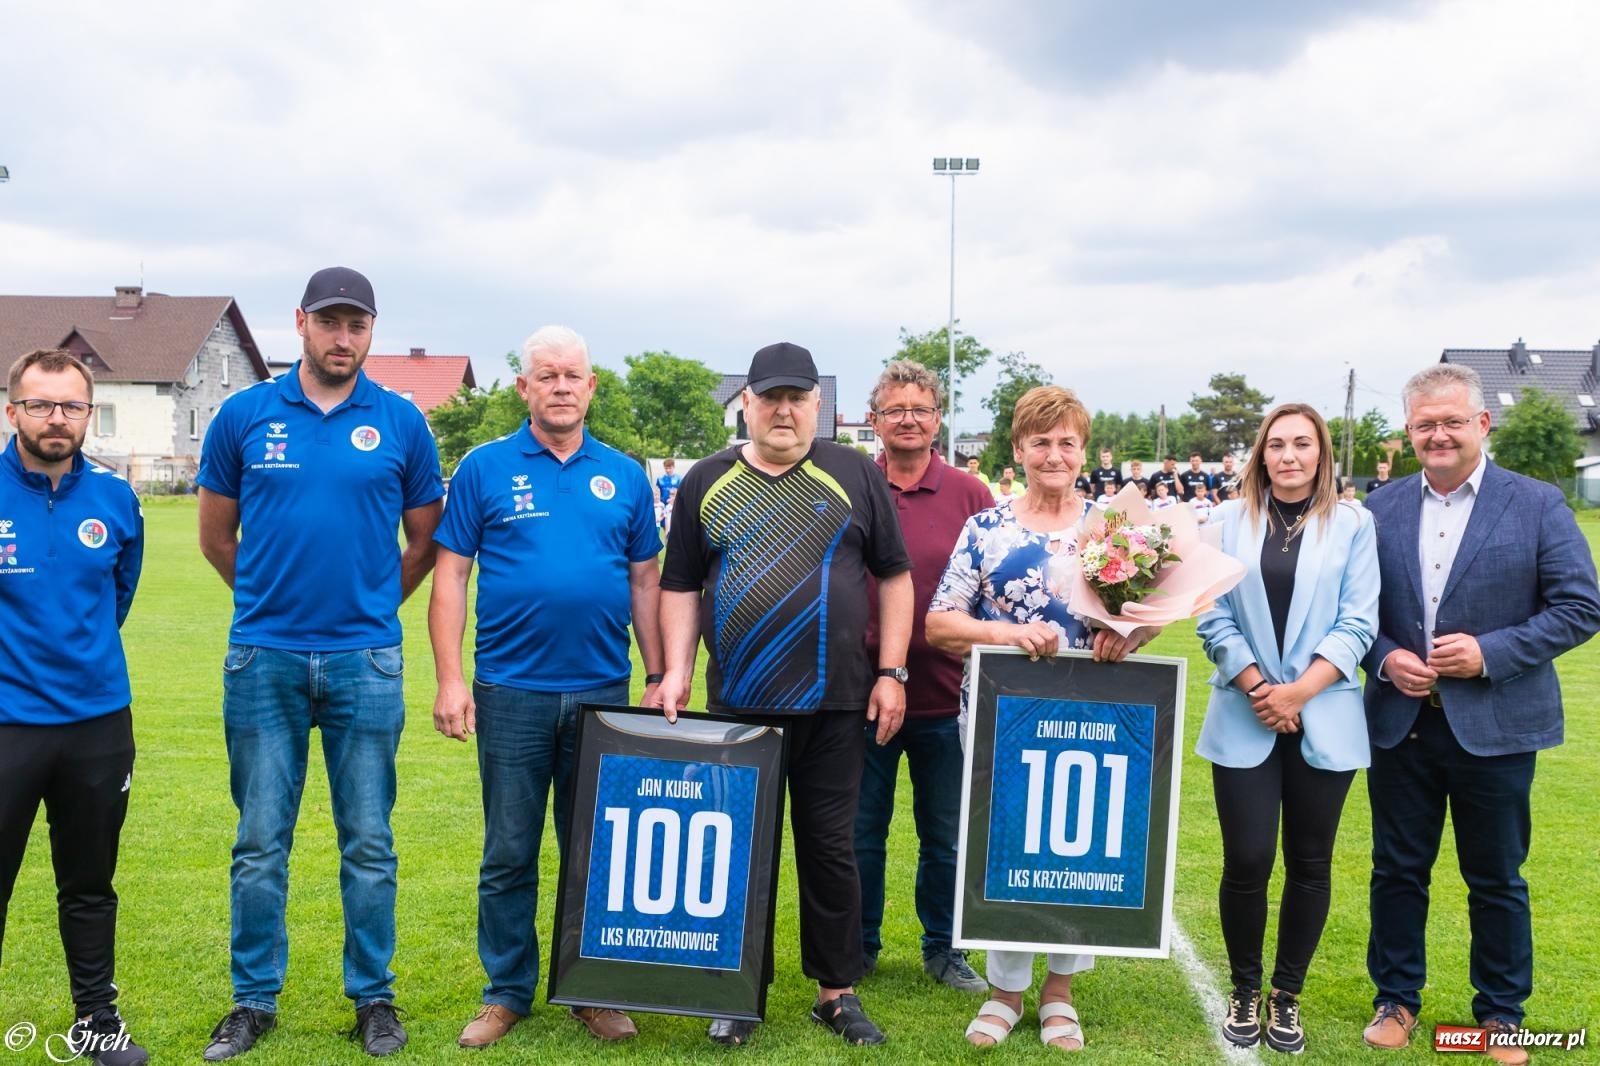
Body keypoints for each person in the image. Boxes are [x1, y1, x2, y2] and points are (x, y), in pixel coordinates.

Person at [196, 267, 444, 1060]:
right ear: (300, 322)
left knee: (368, 838)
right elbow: (215, 537)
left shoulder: (402, 421)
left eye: (357, 325)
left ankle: (373, 997)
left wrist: (373, 607)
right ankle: (253, 1000)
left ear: (371, 331)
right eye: (330, 322)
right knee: (260, 839)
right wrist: (270, 602)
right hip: (262, 657)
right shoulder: (243, 414)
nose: (344, 338)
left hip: (363, 661)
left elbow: (426, 540)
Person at [657, 342, 913, 1047]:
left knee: (832, 849)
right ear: (747, 402)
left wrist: (892, 672)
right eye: (770, 397)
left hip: (837, 702)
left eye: (797, 397)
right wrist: (675, 670)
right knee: (740, 849)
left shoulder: (855, 473)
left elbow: (894, 576)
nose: (783, 409)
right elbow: (679, 583)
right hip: (740, 702)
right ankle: (739, 991)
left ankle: (837, 993)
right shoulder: (705, 481)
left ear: (817, 406)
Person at [429, 326, 664, 1049]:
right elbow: (452, 576)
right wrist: (449, 678)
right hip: (510, 691)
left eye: (574, 375)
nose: (561, 386)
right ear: (524, 388)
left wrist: (658, 675)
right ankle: (506, 992)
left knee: (596, 849)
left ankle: (592, 989)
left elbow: (645, 581)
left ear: (592, 387)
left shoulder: (625, 474)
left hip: (603, 691)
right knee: (509, 849)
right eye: (547, 375)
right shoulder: (484, 468)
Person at [1360, 364, 1600, 1065]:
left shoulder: (1537, 504)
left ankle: (1500, 1015)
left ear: (1482, 424)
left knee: (1496, 874)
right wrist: (1382, 658)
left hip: (1495, 725)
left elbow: (1581, 606)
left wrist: (1488, 653)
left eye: (1451, 421)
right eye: (1424, 423)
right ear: (1409, 431)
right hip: (1401, 721)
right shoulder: (1378, 509)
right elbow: (1348, 614)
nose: (1438, 434)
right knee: (1397, 868)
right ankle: (1396, 998)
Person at [926, 385, 1150, 1052]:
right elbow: (940, 623)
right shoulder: (987, 528)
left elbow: (1145, 618)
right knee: (1007, 849)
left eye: (1067, 442)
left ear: (1083, 451)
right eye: (1041, 442)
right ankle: (1004, 993)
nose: (1054, 454)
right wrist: (1004, 636)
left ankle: (1060, 994)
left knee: (1078, 847)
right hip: (1001, 717)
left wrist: (1128, 638)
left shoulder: (1112, 529)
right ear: (1019, 449)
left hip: (1091, 721)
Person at [1195, 403, 1379, 1055]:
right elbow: (1211, 617)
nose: (1289, 455)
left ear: (1322, 453)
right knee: (1246, 860)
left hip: (1323, 713)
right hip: (1244, 712)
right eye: (1277, 444)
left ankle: (1286, 995)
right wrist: (1259, 688)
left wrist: (1298, 692)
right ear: (1261, 453)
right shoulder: (1223, 521)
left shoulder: (1355, 524)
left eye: (1303, 444)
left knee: (1310, 862)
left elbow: (1360, 621)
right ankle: (1245, 988)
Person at [0, 350, 147, 1066]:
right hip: (5, 727)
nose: (56, 418)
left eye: (71, 406)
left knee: (89, 883)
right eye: (40, 404)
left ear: (88, 413)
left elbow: (118, 595)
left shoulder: (117, 499)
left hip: (96, 725)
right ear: (13, 411)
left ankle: (97, 1022)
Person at [854, 361, 993, 994]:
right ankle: (858, 945)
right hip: (864, 694)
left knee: (946, 834)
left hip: (949, 695)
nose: (907, 419)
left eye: (920, 408)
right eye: (894, 408)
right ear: (874, 418)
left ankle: (945, 947)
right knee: (861, 830)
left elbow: (994, 588)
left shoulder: (970, 493)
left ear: (938, 419)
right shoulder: (851, 483)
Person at [655, 457, 682, 534]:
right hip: (663, 506)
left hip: (674, 506)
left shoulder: (678, 479)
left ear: (673, 467)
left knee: (674, 524)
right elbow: (657, 491)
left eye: (670, 468)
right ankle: (666, 540)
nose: (668, 470)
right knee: (663, 524)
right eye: (666, 468)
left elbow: (681, 493)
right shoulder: (660, 479)